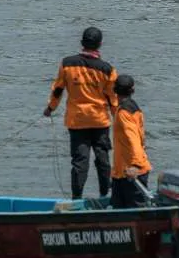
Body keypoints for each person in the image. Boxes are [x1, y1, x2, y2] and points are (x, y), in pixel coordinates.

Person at [43, 26, 118, 200]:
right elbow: (112, 98)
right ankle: (104, 195)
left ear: (82, 43)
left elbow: (58, 90)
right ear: (100, 45)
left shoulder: (67, 63)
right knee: (103, 159)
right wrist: (119, 118)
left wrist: (50, 108)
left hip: (77, 122)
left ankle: (76, 198)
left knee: (79, 161)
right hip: (100, 121)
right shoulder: (107, 69)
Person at [110, 74, 152, 209]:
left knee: (135, 212)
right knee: (119, 211)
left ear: (115, 90)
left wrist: (135, 165)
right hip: (121, 172)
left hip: (131, 173)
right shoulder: (133, 108)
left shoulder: (124, 113)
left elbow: (133, 139)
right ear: (132, 91)